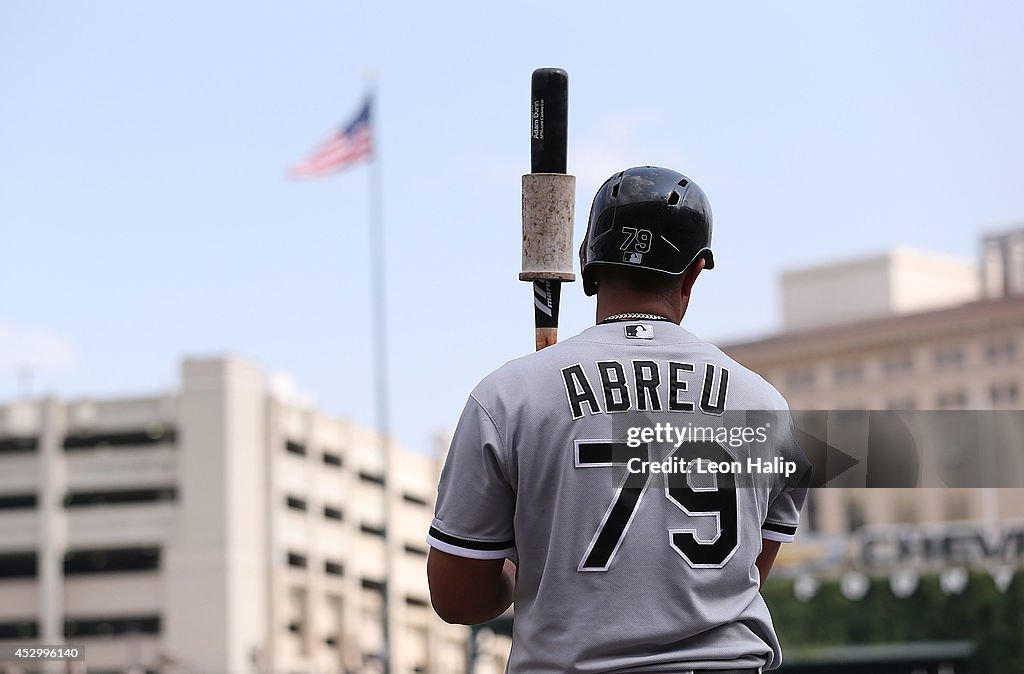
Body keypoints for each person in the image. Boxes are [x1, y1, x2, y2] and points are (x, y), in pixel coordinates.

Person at [426, 166, 808, 673]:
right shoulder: (765, 407)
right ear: (695, 272)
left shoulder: (509, 395)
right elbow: (740, 577)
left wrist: (523, 565)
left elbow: (459, 599)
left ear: (589, 264)